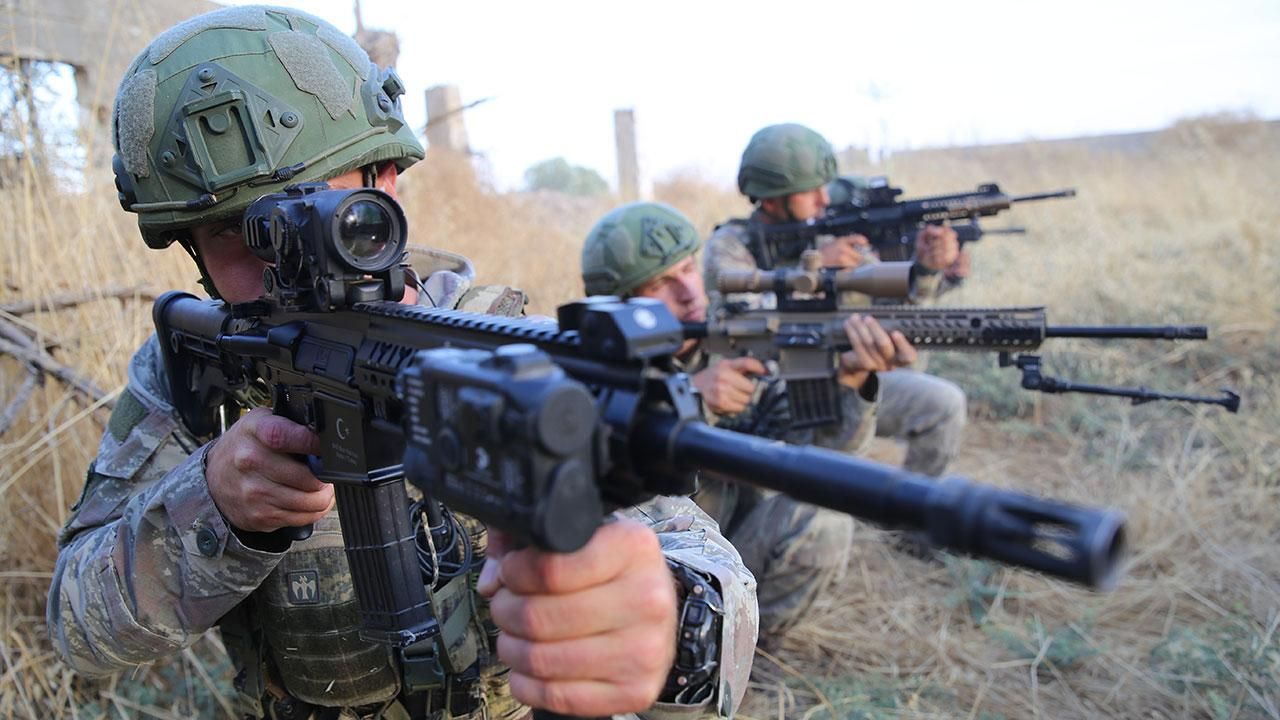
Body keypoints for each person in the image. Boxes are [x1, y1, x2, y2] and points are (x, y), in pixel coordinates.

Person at [47, 8, 756, 719]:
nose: (280, 257)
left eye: (319, 205)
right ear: (190, 250)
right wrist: (216, 505)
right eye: (234, 231)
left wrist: (669, 621)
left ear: (386, 178)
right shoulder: (192, 369)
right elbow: (79, 629)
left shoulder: (503, 345)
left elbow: (706, 564)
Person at [581, 201, 914, 646]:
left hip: (735, 540)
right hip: (655, 570)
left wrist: (850, 383)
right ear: (619, 302)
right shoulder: (596, 370)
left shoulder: (736, 343)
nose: (689, 292)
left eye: (689, 269)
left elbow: (826, 455)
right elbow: (603, 495)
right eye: (663, 282)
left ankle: (750, 650)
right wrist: (692, 403)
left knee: (824, 511)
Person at [703, 123, 967, 477]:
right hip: (768, 392)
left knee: (943, 404)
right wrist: (812, 269)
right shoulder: (730, 246)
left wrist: (925, 272)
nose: (824, 200)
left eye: (823, 188)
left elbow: (899, 313)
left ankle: (914, 521)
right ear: (771, 197)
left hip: (843, 378)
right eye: (809, 192)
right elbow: (746, 324)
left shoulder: (829, 233)